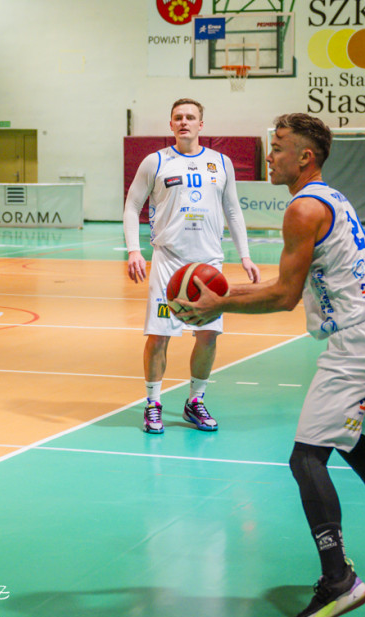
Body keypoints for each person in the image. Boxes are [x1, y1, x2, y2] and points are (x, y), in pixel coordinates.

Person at [173, 113, 365, 617]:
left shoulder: (302, 209)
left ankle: (337, 580)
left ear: (305, 157)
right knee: (352, 444)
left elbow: (283, 295)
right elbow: (284, 284)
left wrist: (216, 308)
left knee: (306, 459)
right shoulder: (332, 198)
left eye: (277, 147)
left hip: (358, 345)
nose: (269, 156)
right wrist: (223, 297)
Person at [122, 98, 260, 435]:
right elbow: (131, 206)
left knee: (208, 335)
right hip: (168, 260)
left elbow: (234, 211)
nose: (184, 122)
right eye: (178, 118)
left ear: (201, 124)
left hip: (209, 264)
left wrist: (245, 255)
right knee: (159, 336)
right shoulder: (155, 162)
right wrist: (133, 251)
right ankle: (153, 404)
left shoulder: (221, 162)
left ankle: (194, 401)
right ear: (170, 125)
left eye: (191, 117)